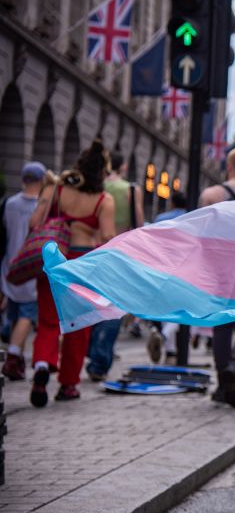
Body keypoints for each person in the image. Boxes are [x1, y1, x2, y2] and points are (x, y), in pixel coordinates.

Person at [30, 140, 116, 406]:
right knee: (78, 326)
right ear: (102, 173)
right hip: (82, 263)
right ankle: (68, 385)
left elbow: (35, 223)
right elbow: (108, 239)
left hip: (53, 259)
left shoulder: (58, 189)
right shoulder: (104, 200)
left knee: (47, 321)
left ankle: (42, 366)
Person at [199, 146, 235, 408]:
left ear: (230, 166)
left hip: (220, 265)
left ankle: (224, 384)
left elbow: (201, 232)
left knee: (221, 323)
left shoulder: (213, 194)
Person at [84, 152, 141, 381]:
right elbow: (138, 224)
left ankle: (89, 350)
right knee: (113, 306)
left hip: (92, 250)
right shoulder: (131, 190)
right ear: (124, 167)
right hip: (119, 252)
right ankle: (100, 360)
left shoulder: (95, 186)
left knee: (90, 302)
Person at [0, 162, 45, 380]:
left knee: (16, 315)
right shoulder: (42, 206)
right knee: (28, 314)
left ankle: (17, 360)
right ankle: (14, 355)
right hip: (31, 268)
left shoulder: (8, 203)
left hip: (10, 265)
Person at [145, 192, 190, 364]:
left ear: (172, 203)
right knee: (183, 309)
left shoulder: (160, 218)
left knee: (166, 308)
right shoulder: (192, 217)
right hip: (185, 268)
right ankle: (165, 339)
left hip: (162, 266)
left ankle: (170, 351)